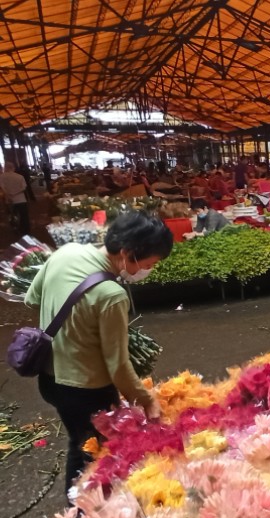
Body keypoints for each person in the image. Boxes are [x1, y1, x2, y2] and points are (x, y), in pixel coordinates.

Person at [25, 212, 173, 497]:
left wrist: (72, 328)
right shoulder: (111, 294)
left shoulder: (66, 253)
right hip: (85, 390)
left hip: (49, 378)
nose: (148, 270)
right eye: (149, 264)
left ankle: (78, 508)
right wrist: (145, 399)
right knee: (95, 455)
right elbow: (117, 365)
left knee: (79, 442)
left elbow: (32, 298)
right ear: (127, 253)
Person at [1, 162, 30, 235]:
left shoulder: (1, 177)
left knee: (12, 215)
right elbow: (24, 188)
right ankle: (25, 229)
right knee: (23, 215)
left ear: (5, 168)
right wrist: (15, 193)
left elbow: (2, 187)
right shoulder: (20, 176)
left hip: (9, 200)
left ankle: (15, 228)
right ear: (13, 168)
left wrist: (8, 194)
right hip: (21, 199)